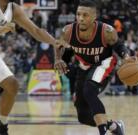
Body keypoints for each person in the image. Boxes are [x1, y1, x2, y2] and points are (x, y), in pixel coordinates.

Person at [0, 0, 66, 135]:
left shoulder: (14, 9)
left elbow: (35, 30)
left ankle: (1, 125)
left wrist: (54, 42)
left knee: (12, 85)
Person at [54, 0, 130, 135]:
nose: (81, 18)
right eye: (78, 14)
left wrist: (126, 57)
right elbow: (60, 46)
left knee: (89, 89)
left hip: (104, 64)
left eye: (85, 15)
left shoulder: (106, 31)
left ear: (94, 17)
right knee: (82, 116)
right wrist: (59, 59)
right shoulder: (68, 31)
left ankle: (102, 133)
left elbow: (118, 45)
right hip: (84, 67)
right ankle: (113, 126)